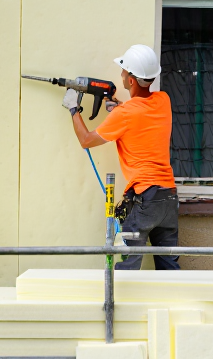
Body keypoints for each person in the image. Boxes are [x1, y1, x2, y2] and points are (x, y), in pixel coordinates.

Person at [65, 44, 179, 271]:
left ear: (132, 81)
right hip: (168, 199)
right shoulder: (163, 101)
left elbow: (86, 140)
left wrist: (73, 109)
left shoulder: (125, 114)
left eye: (124, 72)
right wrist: (119, 108)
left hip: (146, 199)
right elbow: (142, 113)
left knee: (127, 268)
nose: (121, 76)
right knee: (169, 269)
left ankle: (116, 306)